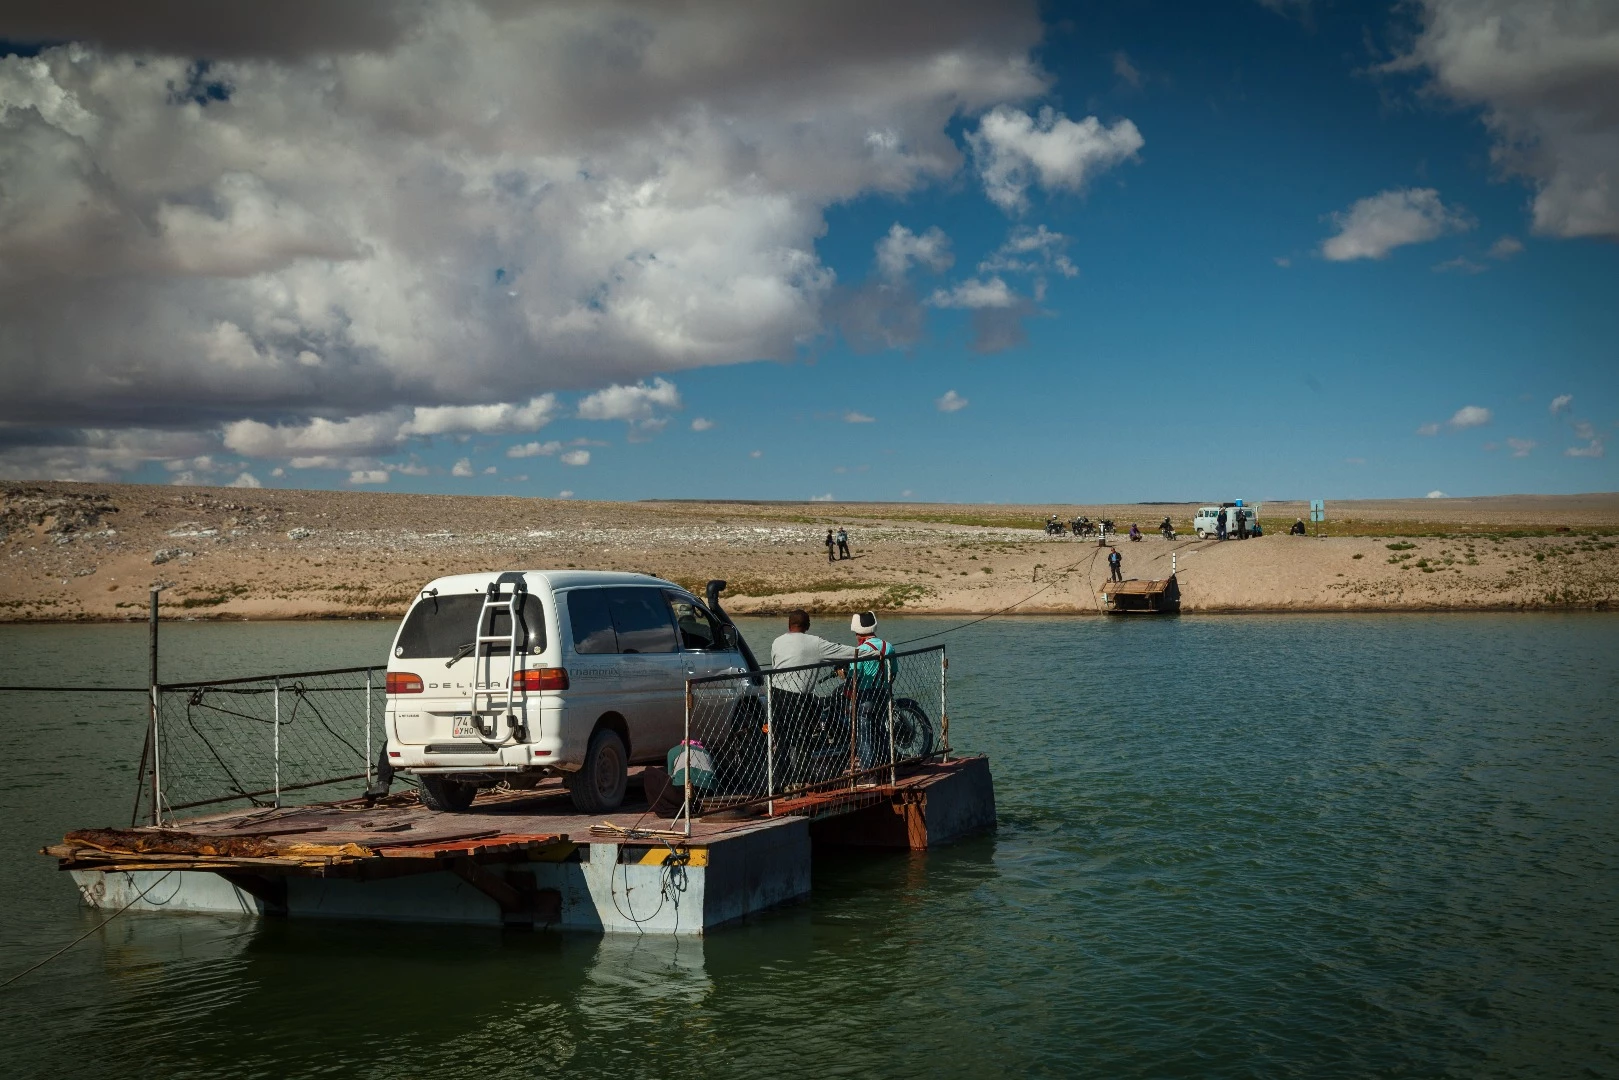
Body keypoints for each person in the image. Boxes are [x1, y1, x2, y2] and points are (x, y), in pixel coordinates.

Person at [770, 609, 857, 784]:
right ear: (808, 626)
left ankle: (780, 781)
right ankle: (800, 780)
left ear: (789, 625)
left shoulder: (776, 642)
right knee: (803, 740)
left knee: (781, 741)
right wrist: (874, 651)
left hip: (776, 695)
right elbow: (843, 651)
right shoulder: (815, 643)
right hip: (798, 697)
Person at [849, 611, 897, 773]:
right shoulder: (888, 646)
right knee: (881, 728)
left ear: (858, 633)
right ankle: (886, 765)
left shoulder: (860, 650)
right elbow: (894, 671)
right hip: (883, 692)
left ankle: (868, 772)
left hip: (865, 694)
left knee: (864, 734)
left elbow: (853, 676)